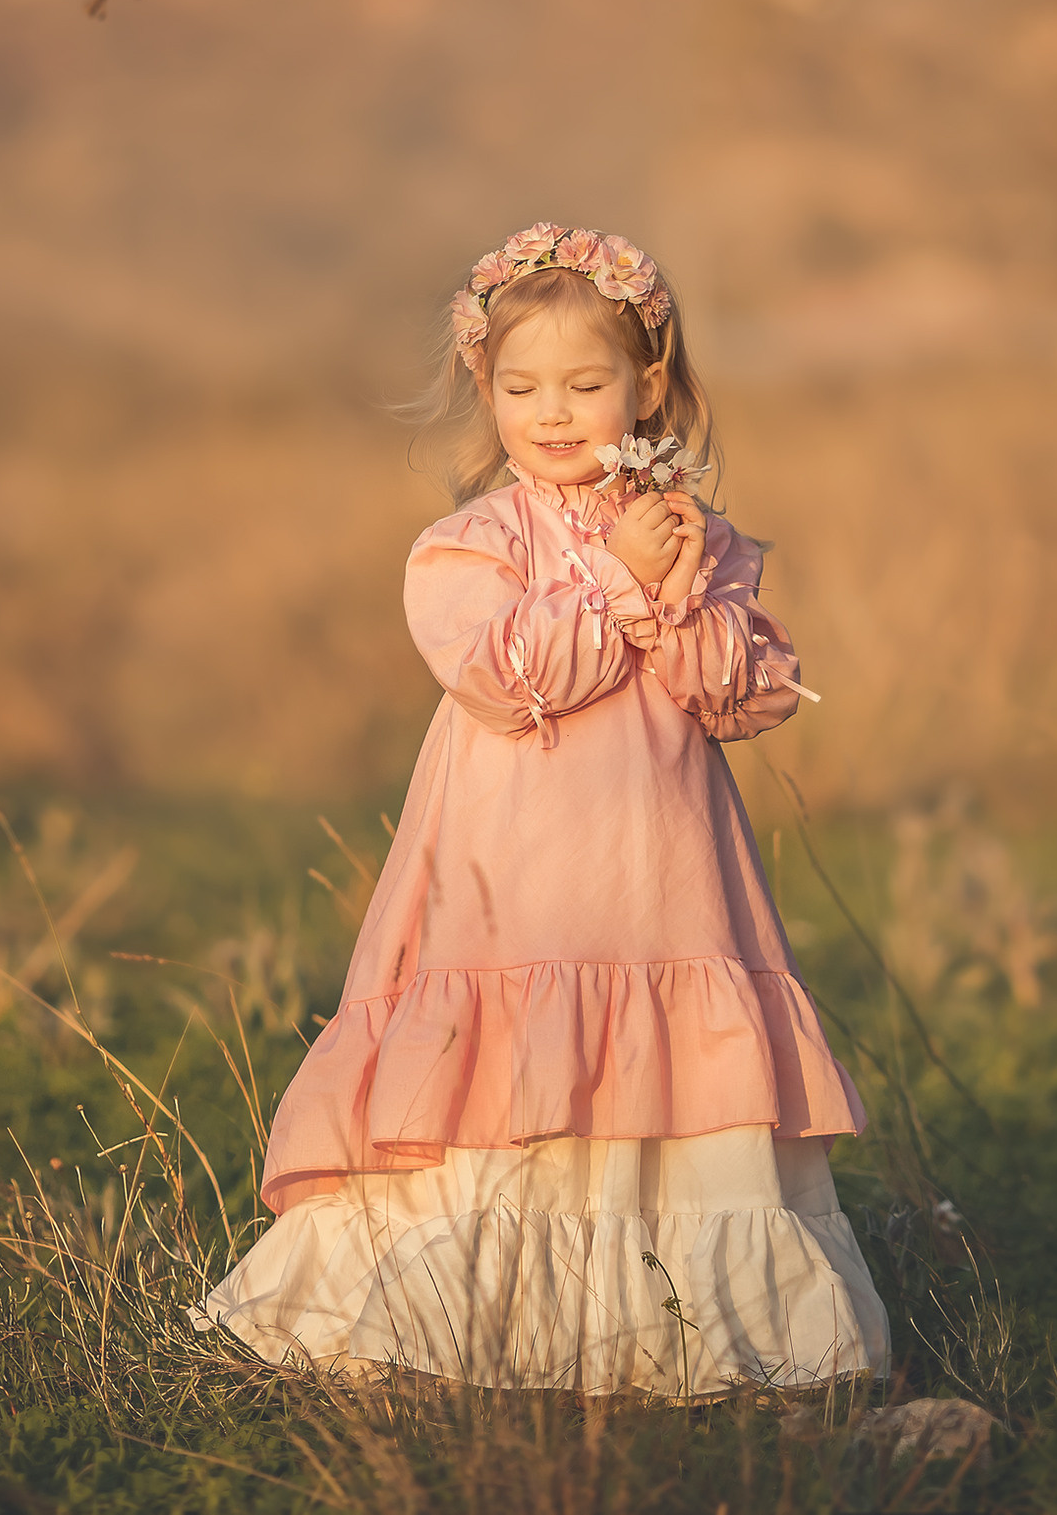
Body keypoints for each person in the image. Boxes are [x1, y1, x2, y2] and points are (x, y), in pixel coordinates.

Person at [194, 223, 888, 1397]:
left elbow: (732, 696)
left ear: (648, 384)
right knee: (515, 1060)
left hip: (662, 872)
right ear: (485, 385)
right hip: (515, 871)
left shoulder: (692, 534)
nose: (552, 411)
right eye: (521, 386)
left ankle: (677, 1331)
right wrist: (613, 574)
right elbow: (511, 682)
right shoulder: (467, 546)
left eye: (585, 383)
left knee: (662, 1068)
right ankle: (476, 1324)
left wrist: (680, 584)